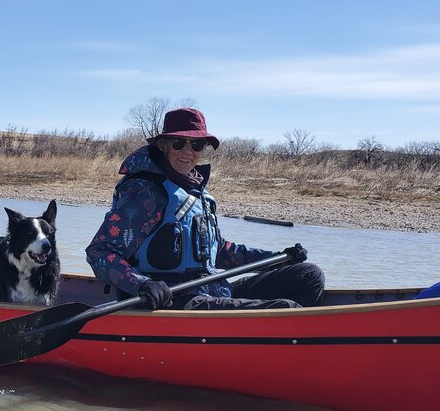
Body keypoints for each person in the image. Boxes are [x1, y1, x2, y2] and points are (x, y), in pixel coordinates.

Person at [86, 108, 325, 310]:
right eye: (179, 143)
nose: (188, 152)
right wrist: (141, 283)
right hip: (172, 299)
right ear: (164, 146)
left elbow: (218, 251)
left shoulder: (196, 190)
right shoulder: (144, 193)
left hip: (210, 288)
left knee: (309, 275)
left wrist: (275, 259)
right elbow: (99, 252)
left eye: (197, 144)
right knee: (286, 308)